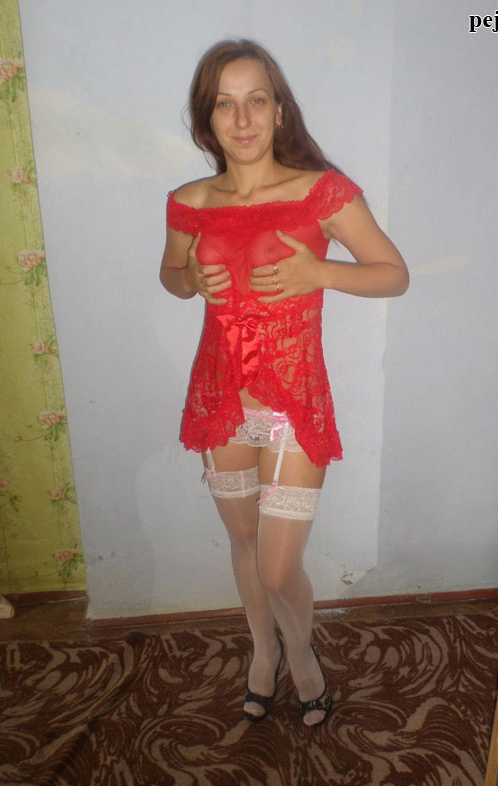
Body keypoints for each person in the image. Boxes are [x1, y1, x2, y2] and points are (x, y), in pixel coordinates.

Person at [160, 39, 409, 727]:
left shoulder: (321, 191)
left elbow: (393, 273)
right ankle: (262, 650)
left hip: (293, 404)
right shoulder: (189, 202)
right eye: (224, 104)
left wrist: (320, 273)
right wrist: (190, 277)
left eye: (256, 101)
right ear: (207, 117)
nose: (241, 119)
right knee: (243, 544)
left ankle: (301, 652)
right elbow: (171, 278)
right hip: (221, 400)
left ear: (278, 111)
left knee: (277, 568)